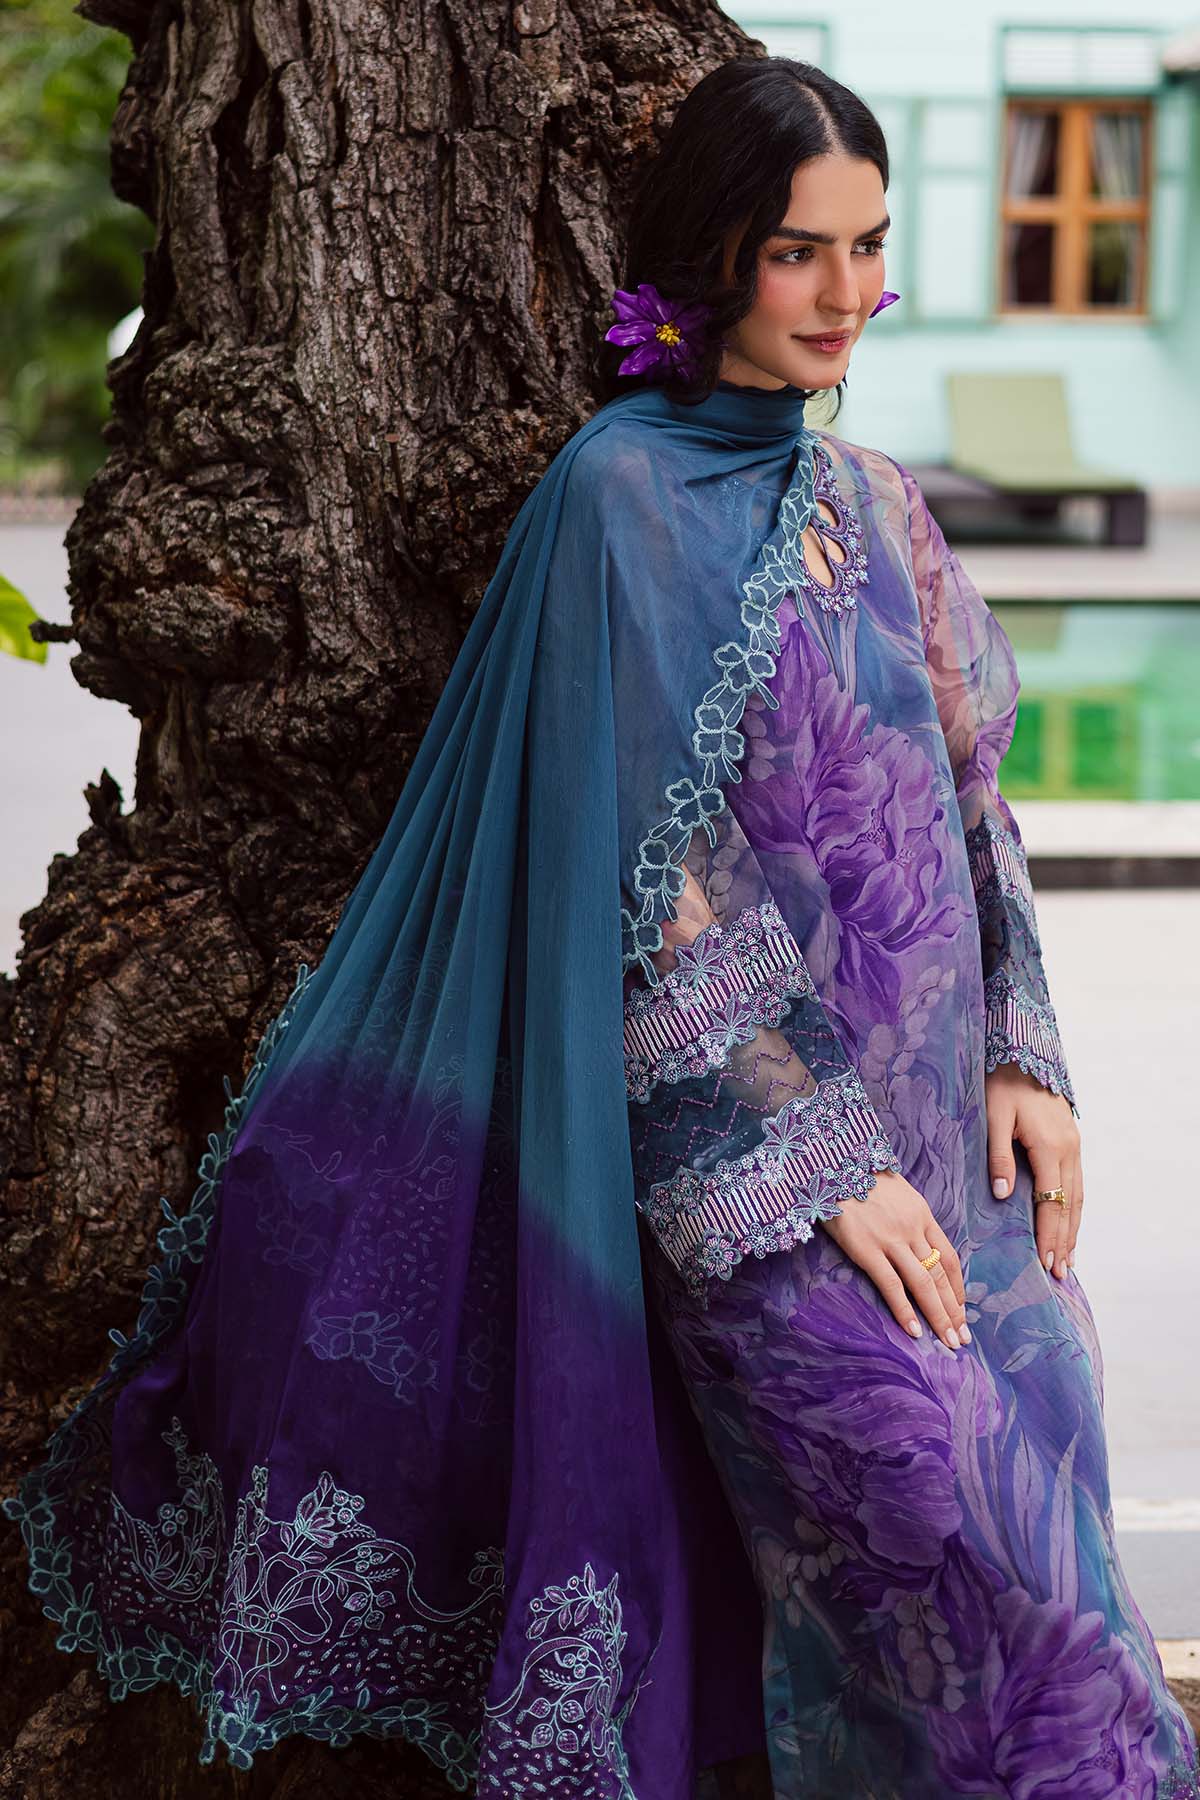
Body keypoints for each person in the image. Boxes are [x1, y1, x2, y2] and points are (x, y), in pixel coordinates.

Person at [5, 52, 1198, 1800]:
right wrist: (826, 1166)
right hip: (770, 1182)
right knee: (978, 1582)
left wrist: (1027, 1054)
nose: (845, 295)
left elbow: (974, 803)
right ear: (712, 258)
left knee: (1055, 1616)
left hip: (959, 1155)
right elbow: (646, 883)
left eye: (870, 247)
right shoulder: (618, 501)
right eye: (799, 252)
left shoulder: (879, 506)